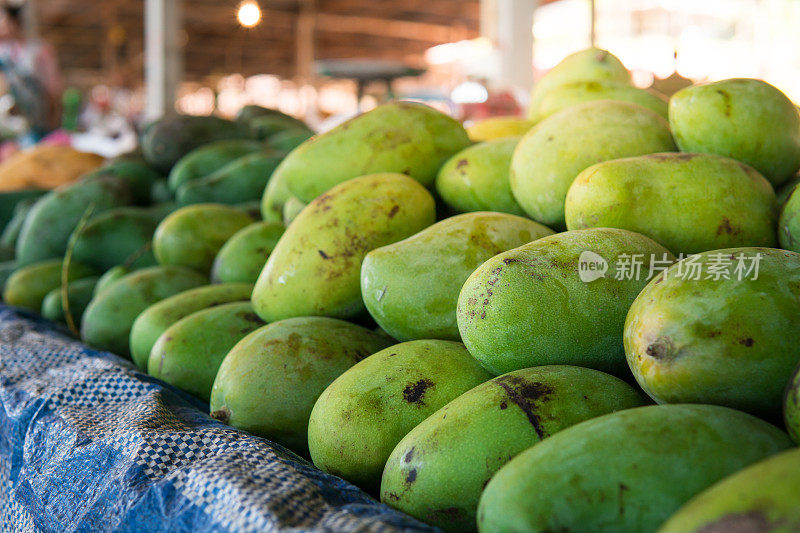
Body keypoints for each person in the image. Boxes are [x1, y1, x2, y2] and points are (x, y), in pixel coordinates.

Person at [0, 4, 62, 140]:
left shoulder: (39, 51)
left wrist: (53, 120)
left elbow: (53, 89)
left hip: (39, 120)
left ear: (14, 23)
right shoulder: (5, 52)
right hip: (14, 121)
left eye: (3, 20)